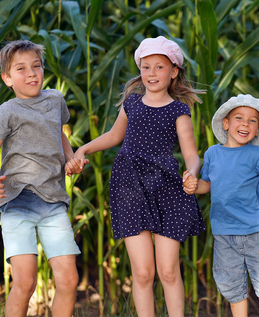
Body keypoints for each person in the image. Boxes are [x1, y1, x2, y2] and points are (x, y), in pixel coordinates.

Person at [66, 36, 205, 317]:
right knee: (142, 273)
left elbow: (191, 153)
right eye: (146, 67)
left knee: (168, 270)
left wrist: (192, 172)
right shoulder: (132, 104)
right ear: (140, 70)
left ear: (174, 71)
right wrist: (83, 148)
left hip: (167, 187)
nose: (151, 74)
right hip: (128, 185)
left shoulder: (180, 110)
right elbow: (115, 136)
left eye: (159, 67)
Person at [0, 40, 80, 317]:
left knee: (69, 280)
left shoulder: (55, 99)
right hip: (17, 201)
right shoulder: (8, 112)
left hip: (53, 201)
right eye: (21, 69)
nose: (32, 73)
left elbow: (59, 135)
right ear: (7, 78)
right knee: (25, 282)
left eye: (36, 66)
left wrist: (69, 159)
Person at [183, 94, 259, 317]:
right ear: (226, 124)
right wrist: (192, 185)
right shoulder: (212, 153)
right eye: (239, 118)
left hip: (255, 230)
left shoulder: (256, 155)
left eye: (252, 121)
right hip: (224, 232)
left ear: (257, 130)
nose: (245, 124)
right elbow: (207, 185)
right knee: (232, 283)